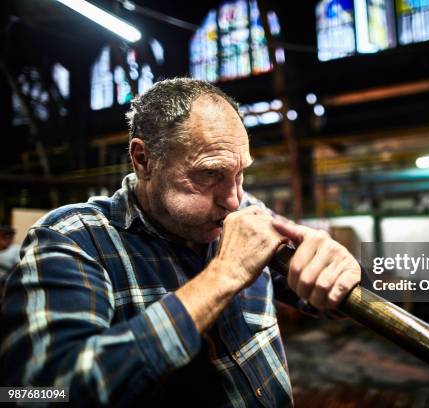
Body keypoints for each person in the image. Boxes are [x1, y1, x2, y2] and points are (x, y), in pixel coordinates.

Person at [0, 78, 360, 407]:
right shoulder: (75, 238)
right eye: (209, 174)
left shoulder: (246, 213)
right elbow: (38, 393)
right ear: (144, 159)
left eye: (240, 174)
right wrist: (224, 275)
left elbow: (323, 299)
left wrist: (340, 268)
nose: (234, 200)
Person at [0, 225, 20, 289]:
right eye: (3, 236)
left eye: (9, 236)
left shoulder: (16, 250)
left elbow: (17, 268)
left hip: (8, 286)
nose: (6, 239)